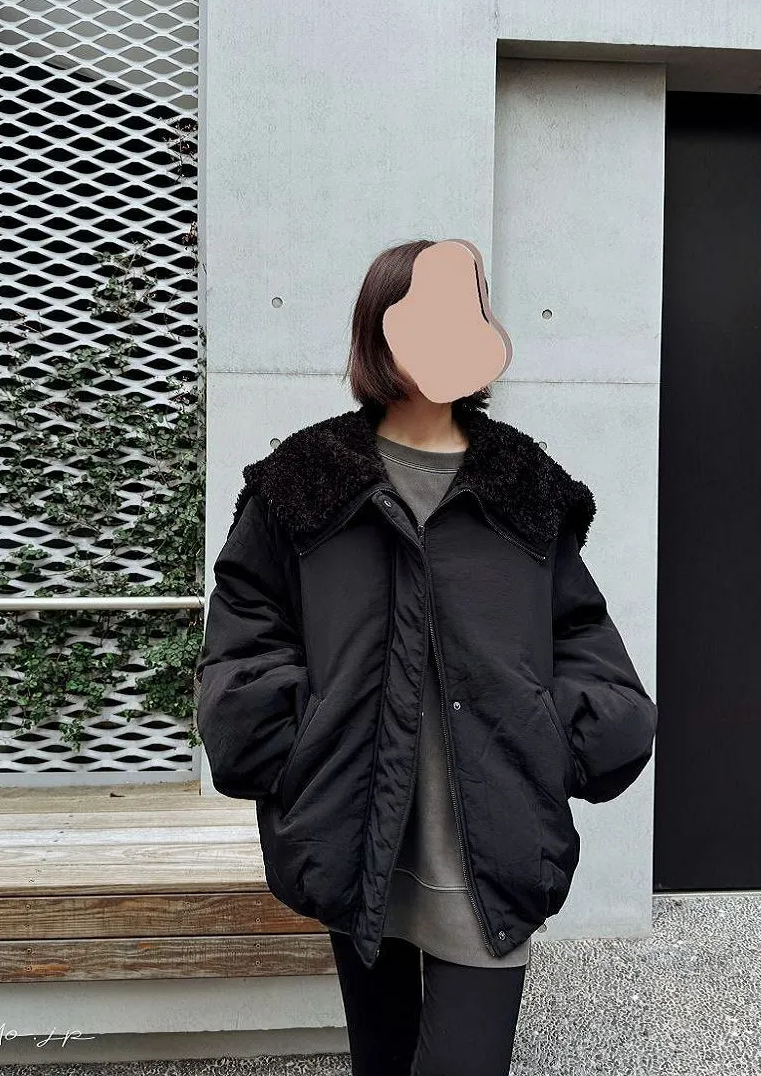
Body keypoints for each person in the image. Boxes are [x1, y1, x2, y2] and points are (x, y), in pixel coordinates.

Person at [194, 239, 658, 1076]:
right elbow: (245, 631)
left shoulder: (523, 483)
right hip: (351, 830)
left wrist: (562, 733)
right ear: (377, 330)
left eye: (467, 311)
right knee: (380, 1060)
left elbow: (581, 631)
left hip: (493, 838)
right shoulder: (305, 480)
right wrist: (295, 741)